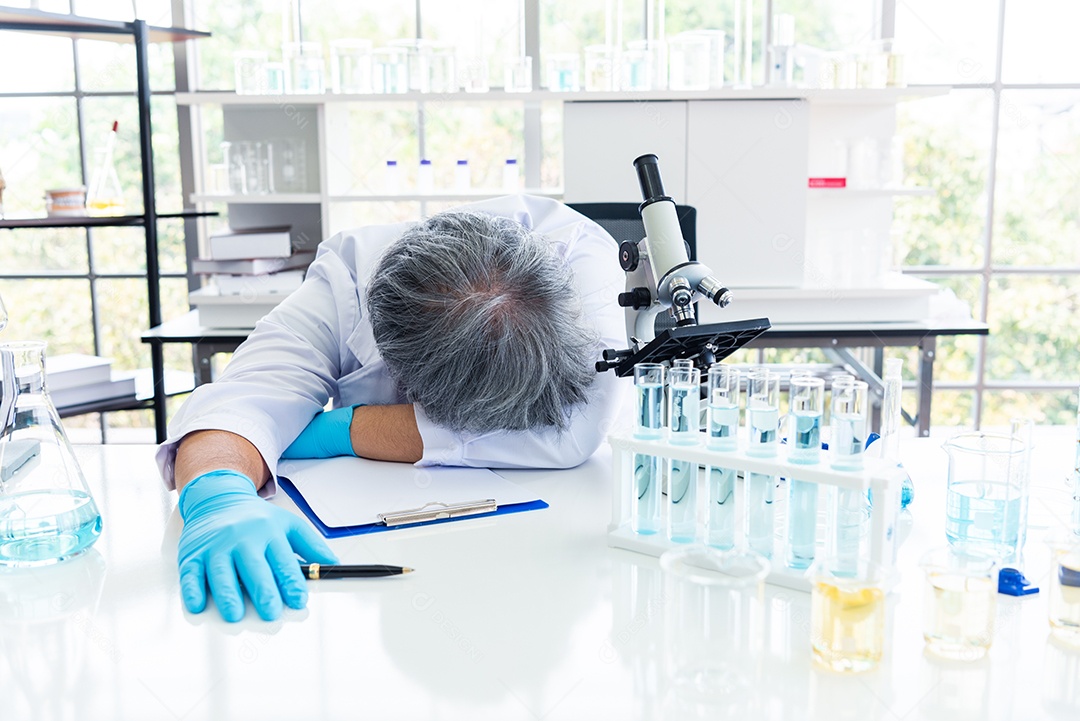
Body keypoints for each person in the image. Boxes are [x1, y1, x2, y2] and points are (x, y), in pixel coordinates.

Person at [157, 195, 626, 623]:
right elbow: (244, 401)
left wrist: (341, 430)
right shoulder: (345, 283)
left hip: (540, 539)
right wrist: (218, 492)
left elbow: (577, 430)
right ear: (398, 371)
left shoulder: (583, 270)